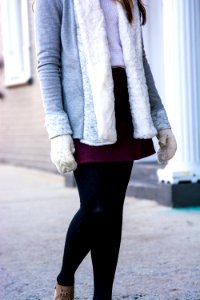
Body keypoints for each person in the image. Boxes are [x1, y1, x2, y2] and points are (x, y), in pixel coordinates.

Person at [34, 0, 177, 299]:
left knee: (112, 212)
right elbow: (48, 62)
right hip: (85, 113)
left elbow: (139, 59)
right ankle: (65, 278)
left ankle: (103, 296)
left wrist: (159, 118)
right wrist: (58, 128)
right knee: (96, 209)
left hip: (125, 105)